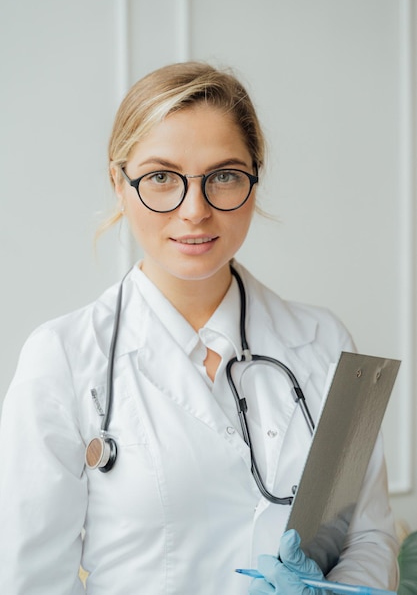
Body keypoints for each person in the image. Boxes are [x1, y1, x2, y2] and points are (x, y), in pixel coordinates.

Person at [0, 62, 399, 594]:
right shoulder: (62, 359)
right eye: (161, 177)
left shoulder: (324, 341)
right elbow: (31, 582)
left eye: (224, 175)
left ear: (254, 181)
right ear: (119, 184)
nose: (194, 210)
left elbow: (369, 538)